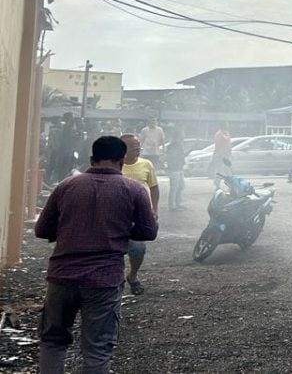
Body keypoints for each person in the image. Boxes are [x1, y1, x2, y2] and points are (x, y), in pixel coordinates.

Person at [35, 135, 158, 374]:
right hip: (103, 280)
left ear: (92, 159)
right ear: (122, 161)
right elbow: (148, 232)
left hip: (61, 277)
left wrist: (70, 227)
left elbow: (42, 229)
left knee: (52, 341)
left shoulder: (66, 185)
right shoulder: (133, 190)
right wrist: (121, 228)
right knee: (98, 349)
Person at [120, 134, 159, 296]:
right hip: (115, 214)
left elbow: (154, 188)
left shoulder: (146, 165)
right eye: (132, 146)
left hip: (138, 215)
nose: (137, 149)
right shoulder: (115, 164)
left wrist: (154, 209)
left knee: (138, 248)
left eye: (138, 146)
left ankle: (132, 275)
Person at [164, 125, 188, 211]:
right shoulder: (173, 145)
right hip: (174, 168)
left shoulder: (179, 144)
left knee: (181, 186)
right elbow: (171, 157)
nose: (184, 134)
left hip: (179, 168)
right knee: (174, 187)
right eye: (182, 133)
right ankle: (172, 205)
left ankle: (177, 203)